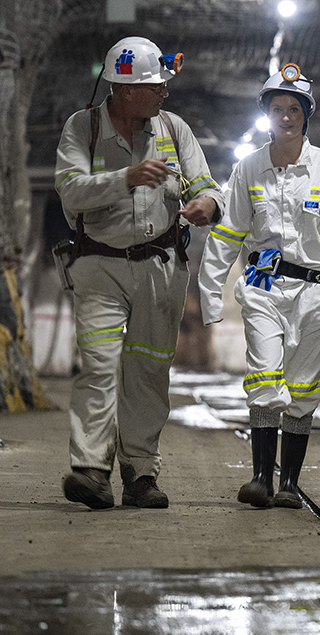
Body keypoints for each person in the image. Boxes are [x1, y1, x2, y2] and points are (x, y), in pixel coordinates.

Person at [55, 36, 224, 510]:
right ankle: (91, 469)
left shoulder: (173, 128)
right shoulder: (81, 129)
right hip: (99, 266)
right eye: (156, 86)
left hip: (160, 268)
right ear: (126, 90)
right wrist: (124, 178)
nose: (164, 93)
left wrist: (208, 204)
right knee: (99, 365)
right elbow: (71, 192)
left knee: (148, 369)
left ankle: (140, 473)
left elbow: (208, 184)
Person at [199, 63, 320, 509]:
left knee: (303, 386)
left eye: (294, 108)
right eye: (278, 108)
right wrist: (210, 292)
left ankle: (290, 484)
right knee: (265, 373)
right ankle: (260, 477)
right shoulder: (249, 168)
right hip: (263, 287)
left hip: (315, 292)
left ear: (305, 115)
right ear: (267, 114)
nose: (286, 116)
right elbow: (229, 232)